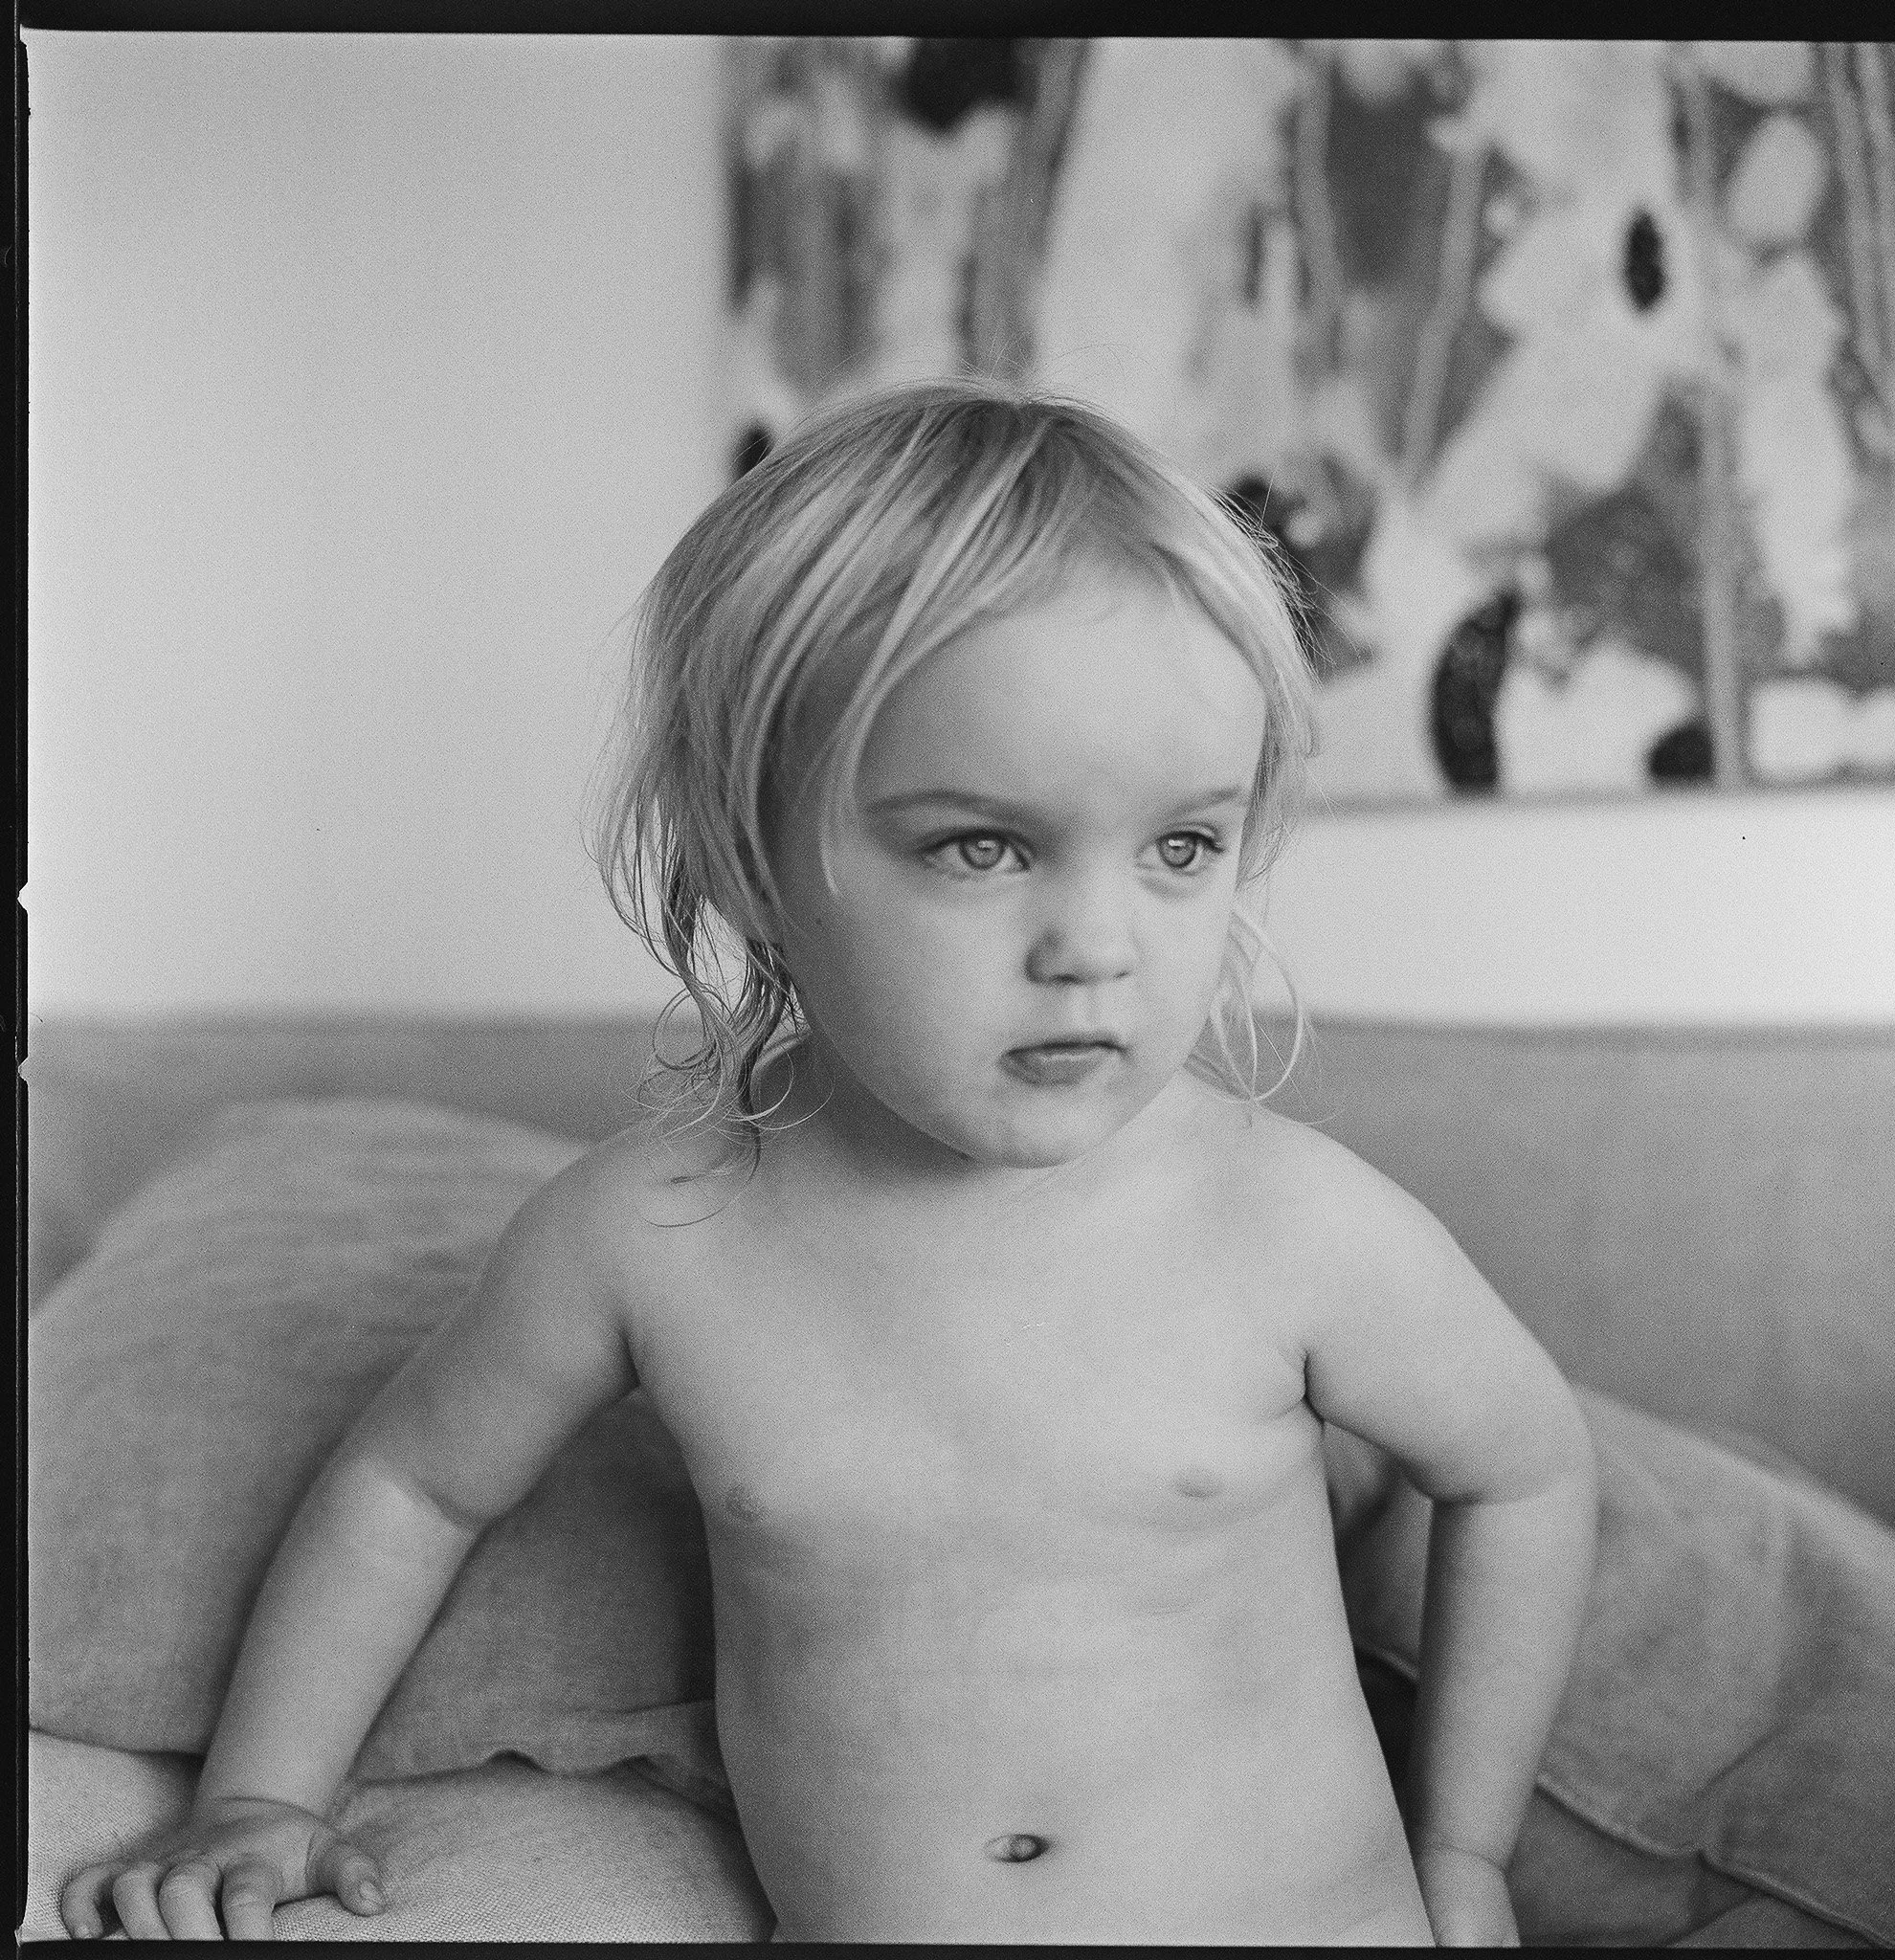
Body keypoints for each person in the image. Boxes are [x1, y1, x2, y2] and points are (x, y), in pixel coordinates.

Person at [59, 381, 1596, 1945]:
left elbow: (1524, 1466)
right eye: (980, 846)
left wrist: (1464, 1858)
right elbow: (409, 1483)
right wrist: (261, 1796)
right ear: (750, 861)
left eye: (1181, 847)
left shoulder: (1293, 1226)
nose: (1096, 947)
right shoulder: (655, 1234)